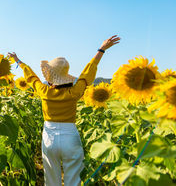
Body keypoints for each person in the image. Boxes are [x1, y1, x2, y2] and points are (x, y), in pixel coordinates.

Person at [8, 35, 120, 186]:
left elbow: (31, 77)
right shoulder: (74, 92)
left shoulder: (44, 91)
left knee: (51, 179)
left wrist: (18, 61)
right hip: (70, 136)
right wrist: (101, 50)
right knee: (73, 179)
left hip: (49, 137)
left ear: (49, 77)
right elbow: (87, 73)